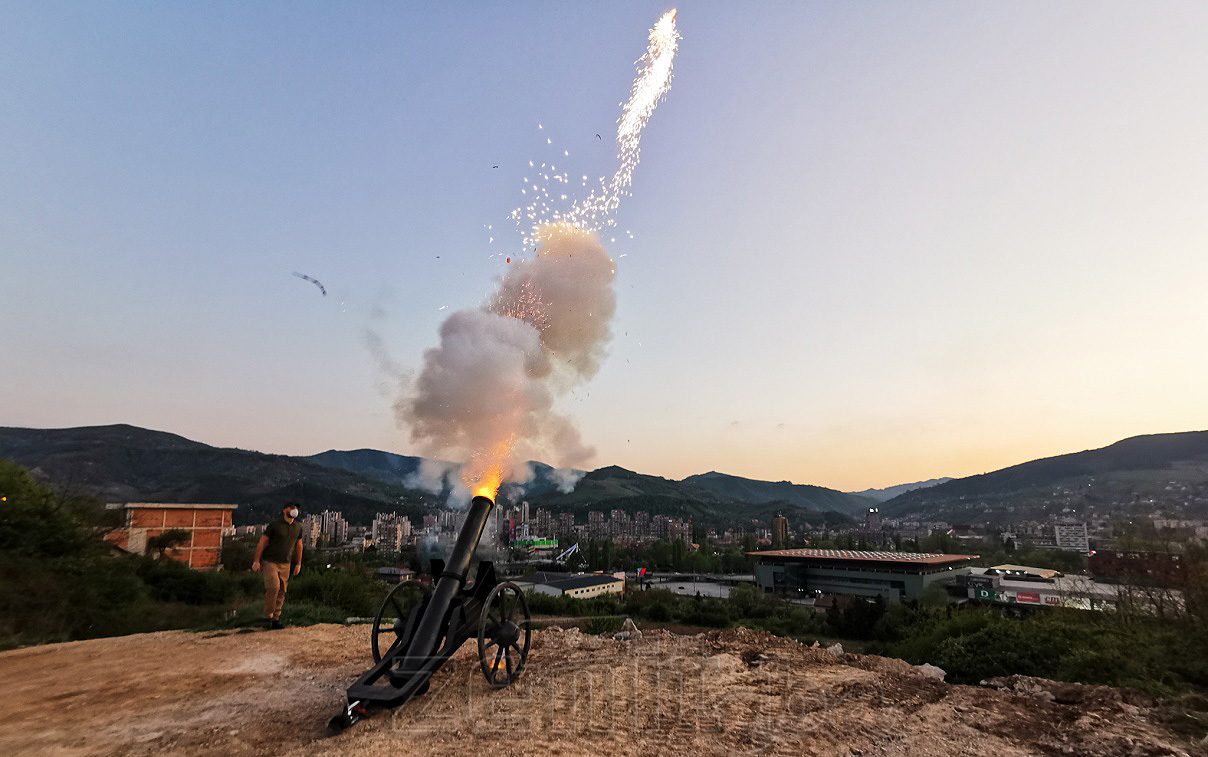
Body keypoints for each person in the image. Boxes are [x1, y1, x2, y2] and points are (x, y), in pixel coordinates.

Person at [251, 502, 304, 629]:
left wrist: (298, 563)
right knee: (273, 587)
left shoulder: (298, 527)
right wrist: (256, 561)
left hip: (286, 563)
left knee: (281, 591)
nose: (294, 510)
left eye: (296, 508)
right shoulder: (274, 525)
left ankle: (275, 619)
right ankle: (267, 615)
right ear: (284, 510)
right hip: (270, 561)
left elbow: (299, 545)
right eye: (292, 508)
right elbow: (262, 542)